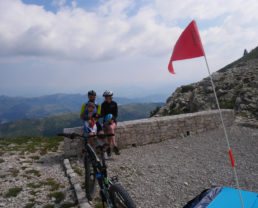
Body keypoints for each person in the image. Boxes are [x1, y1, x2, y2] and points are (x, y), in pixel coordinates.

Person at [80, 91, 108, 159]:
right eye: (91, 96)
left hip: (96, 123)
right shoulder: (85, 105)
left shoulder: (98, 105)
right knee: (91, 136)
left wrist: (95, 119)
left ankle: (104, 152)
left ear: (95, 96)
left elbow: (98, 115)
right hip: (88, 123)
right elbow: (81, 116)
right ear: (88, 96)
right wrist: (88, 117)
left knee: (102, 134)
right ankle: (93, 152)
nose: (92, 97)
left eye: (93, 96)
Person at [101, 90, 120, 156]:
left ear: (111, 97)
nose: (106, 98)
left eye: (108, 96)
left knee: (110, 128)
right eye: (105, 96)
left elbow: (116, 114)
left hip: (113, 121)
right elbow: (102, 114)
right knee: (110, 129)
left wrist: (112, 120)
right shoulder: (103, 104)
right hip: (106, 122)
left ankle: (109, 147)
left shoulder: (114, 104)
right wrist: (107, 120)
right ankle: (114, 146)